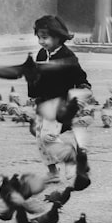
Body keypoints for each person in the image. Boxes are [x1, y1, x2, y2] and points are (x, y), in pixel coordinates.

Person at [29, 15, 91, 183]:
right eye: (39, 38)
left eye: (45, 38)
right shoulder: (42, 54)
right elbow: (38, 79)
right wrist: (33, 95)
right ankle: (52, 172)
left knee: (48, 136)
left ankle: (69, 157)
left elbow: (80, 77)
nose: (41, 42)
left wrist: (84, 88)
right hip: (44, 103)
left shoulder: (68, 56)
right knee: (39, 138)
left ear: (58, 37)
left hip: (60, 105)